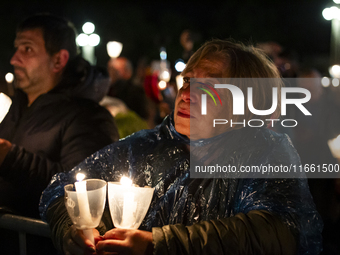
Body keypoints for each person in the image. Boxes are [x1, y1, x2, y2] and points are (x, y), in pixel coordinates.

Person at [40, 39, 322, 255]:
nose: (187, 94)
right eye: (187, 80)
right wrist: (75, 228)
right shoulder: (145, 147)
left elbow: (276, 230)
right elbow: (62, 188)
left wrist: (158, 244)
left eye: (209, 85)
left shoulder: (267, 153)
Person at [0, 13, 119, 220]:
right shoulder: (19, 106)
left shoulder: (88, 117)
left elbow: (87, 191)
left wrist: (11, 158)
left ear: (58, 60)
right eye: (17, 48)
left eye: (27, 49)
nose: (14, 59)